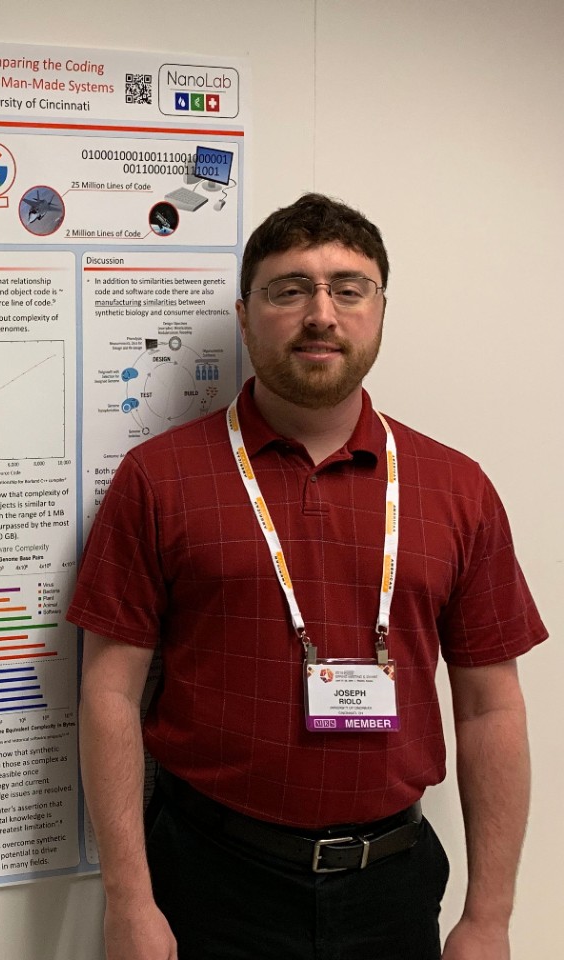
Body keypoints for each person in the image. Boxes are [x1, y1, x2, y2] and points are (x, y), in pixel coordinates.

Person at [69, 193, 546, 960]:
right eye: (289, 289)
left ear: (380, 310)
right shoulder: (158, 478)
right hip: (208, 877)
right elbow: (109, 693)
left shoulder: (456, 487)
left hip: (391, 887)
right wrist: (129, 899)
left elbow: (492, 710)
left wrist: (489, 916)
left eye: (348, 289)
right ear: (246, 312)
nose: (321, 313)